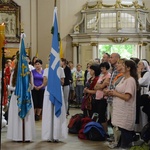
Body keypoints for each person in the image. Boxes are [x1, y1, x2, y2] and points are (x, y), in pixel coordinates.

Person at [109, 60, 138, 149]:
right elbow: (118, 91)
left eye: (123, 65)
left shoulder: (130, 80)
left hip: (126, 110)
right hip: (120, 110)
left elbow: (127, 97)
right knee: (122, 131)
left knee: (126, 133)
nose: (121, 66)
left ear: (128, 68)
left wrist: (114, 93)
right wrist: (111, 92)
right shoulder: (123, 78)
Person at [7, 59, 35, 141]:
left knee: (27, 115)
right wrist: (18, 88)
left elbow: (32, 86)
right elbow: (11, 86)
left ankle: (27, 136)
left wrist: (27, 87)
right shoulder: (14, 73)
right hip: (17, 97)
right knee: (16, 115)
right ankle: (17, 135)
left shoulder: (29, 73)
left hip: (26, 97)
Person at [41, 67, 67, 142]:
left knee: (57, 114)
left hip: (58, 92)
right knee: (48, 113)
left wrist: (56, 77)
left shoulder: (60, 69)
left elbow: (62, 82)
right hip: (48, 93)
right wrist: (50, 78)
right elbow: (44, 83)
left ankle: (57, 134)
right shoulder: (46, 70)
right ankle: (48, 135)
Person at [94, 62, 111, 132]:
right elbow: (95, 87)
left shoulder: (108, 76)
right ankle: (99, 130)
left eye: (103, 68)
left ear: (107, 68)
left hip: (103, 98)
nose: (102, 69)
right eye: (101, 68)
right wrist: (100, 86)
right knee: (97, 114)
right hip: (97, 96)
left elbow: (101, 86)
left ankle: (105, 131)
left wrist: (100, 86)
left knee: (102, 115)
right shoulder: (101, 76)